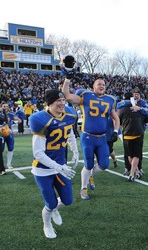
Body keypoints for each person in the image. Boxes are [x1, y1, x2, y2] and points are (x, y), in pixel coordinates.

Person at [30, 89, 79, 239]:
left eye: (63, 100)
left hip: (60, 166)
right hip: (43, 170)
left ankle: (54, 209)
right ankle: (47, 224)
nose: (62, 103)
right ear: (49, 103)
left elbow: (68, 131)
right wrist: (59, 167)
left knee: (67, 200)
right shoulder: (40, 119)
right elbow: (38, 153)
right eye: (58, 101)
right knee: (50, 203)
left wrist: (75, 151)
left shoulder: (69, 114)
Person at [62, 74, 120, 200]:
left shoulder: (110, 99)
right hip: (88, 137)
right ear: (93, 86)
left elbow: (116, 117)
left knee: (104, 165)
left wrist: (116, 131)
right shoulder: (86, 96)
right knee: (88, 164)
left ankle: (91, 175)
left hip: (102, 138)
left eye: (103, 85)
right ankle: (83, 188)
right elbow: (66, 95)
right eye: (99, 84)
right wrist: (67, 79)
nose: (102, 86)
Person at [117, 92, 145, 181]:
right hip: (138, 133)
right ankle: (134, 173)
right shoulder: (138, 108)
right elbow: (147, 118)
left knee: (129, 155)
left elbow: (117, 120)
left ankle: (134, 172)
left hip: (127, 133)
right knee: (136, 155)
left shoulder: (121, 109)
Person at [1, 103, 22, 169]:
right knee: (1, 150)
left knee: (10, 148)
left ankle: (9, 164)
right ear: (1, 107)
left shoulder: (11, 113)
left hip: (9, 133)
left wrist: (14, 122)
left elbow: (19, 120)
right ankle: (1, 166)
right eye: (4, 106)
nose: (5, 107)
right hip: (1, 134)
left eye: (6, 106)